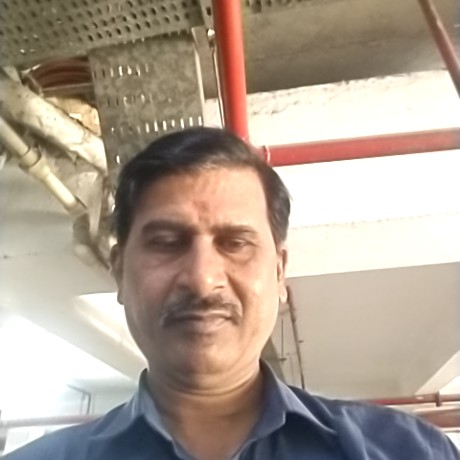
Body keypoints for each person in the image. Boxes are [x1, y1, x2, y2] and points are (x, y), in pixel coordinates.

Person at [5, 127, 459, 460]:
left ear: (279, 273)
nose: (202, 279)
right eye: (167, 243)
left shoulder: (405, 451)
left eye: (235, 243)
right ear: (120, 271)